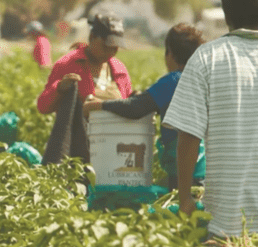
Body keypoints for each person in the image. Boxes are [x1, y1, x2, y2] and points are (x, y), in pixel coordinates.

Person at [163, 0, 258, 238]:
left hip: (227, 227)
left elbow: (189, 136)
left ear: (227, 16)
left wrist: (184, 198)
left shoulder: (208, 58)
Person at [83, 23, 206, 189]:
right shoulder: (203, 80)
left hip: (184, 176)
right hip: (206, 174)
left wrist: (99, 105)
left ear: (169, 52)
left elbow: (136, 108)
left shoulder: (174, 81)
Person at [37, 11, 132, 114]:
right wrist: (59, 88)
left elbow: (128, 107)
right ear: (92, 37)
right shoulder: (68, 64)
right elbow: (43, 107)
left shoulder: (119, 69)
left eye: (115, 48)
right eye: (105, 47)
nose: (110, 52)